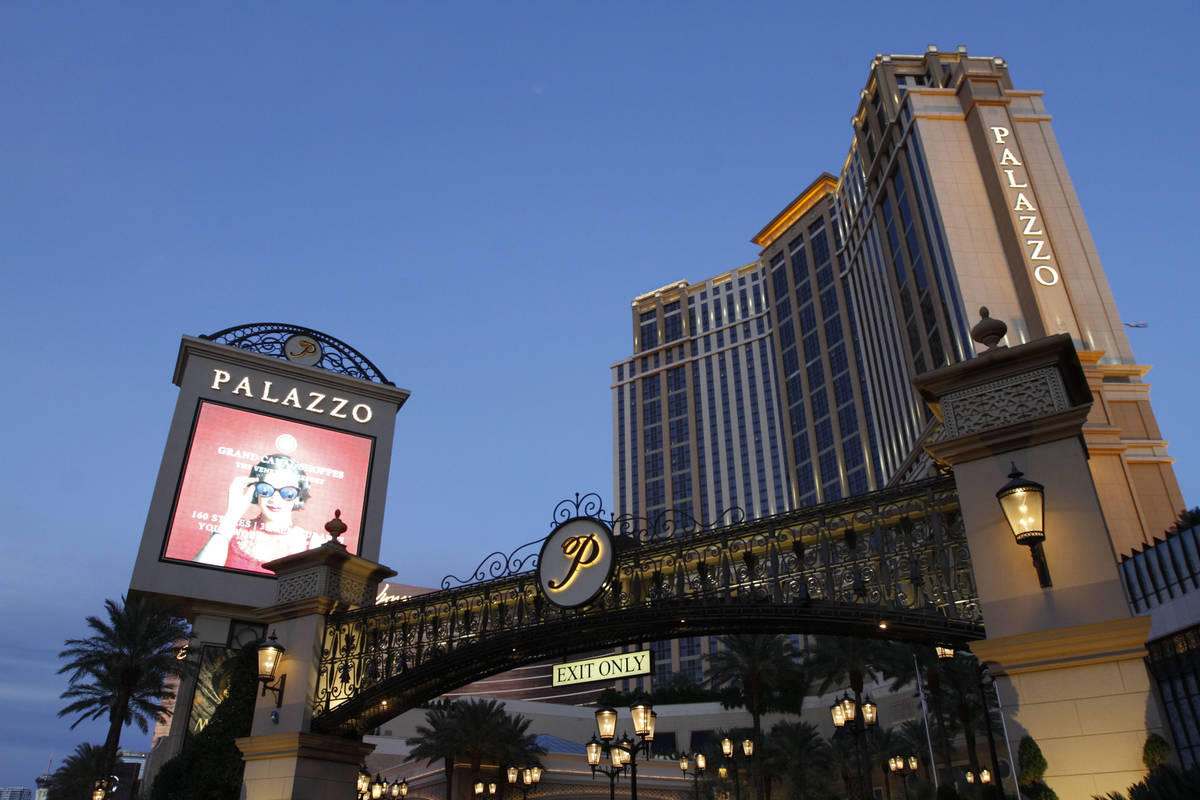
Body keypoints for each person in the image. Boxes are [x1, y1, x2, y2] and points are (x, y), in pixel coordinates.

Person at [195, 453, 329, 571]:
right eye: (266, 489)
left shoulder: (311, 543)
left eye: (287, 492)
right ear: (254, 491)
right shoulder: (231, 531)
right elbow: (196, 576)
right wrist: (232, 514)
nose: (275, 499)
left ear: (298, 496)